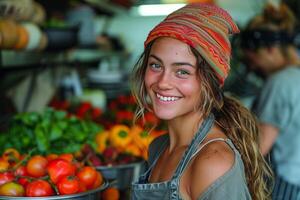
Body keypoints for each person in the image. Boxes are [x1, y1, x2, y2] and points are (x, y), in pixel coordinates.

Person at [130, 3, 273, 200]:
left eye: (182, 72)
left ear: (210, 82)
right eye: (156, 65)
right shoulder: (158, 148)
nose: (163, 82)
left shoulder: (212, 162)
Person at [240, 3, 300, 200]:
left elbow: (259, 147)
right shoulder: (295, 76)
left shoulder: (280, 82)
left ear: (271, 49)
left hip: (285, 182)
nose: (253, 66)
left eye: (253, 58)